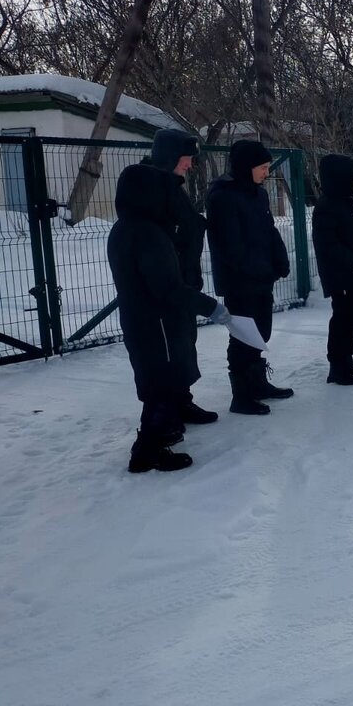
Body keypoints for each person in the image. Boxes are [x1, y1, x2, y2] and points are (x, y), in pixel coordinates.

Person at [107, 163, 231, 473]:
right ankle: (148, 449)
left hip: (140, 319)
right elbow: (167, 288)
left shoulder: (124, 228)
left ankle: (153, 442)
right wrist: (210, 307)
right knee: (162, 384)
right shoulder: (148, 234)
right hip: (158, 323)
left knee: (156, 383)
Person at [205, 140, 294, 415]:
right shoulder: (223, 196)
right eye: (263, 167)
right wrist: (256, 268)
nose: (267, 172)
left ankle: (257, 384)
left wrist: (279, 258)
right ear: (247, 167)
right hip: (239, 280)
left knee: (261, 331)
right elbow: (229, 246)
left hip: (261, 276)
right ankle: (241, 395)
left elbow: (268, 229)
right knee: (243, 335)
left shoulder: (257, 194)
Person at [142, 128, 219, 425]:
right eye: (186, 158)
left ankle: (182, 400)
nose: (189, 164)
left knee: (185, 343)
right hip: (168, 284)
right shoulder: (154, 190)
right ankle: (169, 409)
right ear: (170, 157)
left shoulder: (173, 186)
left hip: (185, 280)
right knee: (172, 348)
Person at [312, 153, 353, 385]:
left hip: (351, 273)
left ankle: (347, 361)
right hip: (340, 274)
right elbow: (327, 244)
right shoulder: (327, 206)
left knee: (352, 317)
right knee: (342, 318)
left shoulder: (345, 202)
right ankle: (337, 366)